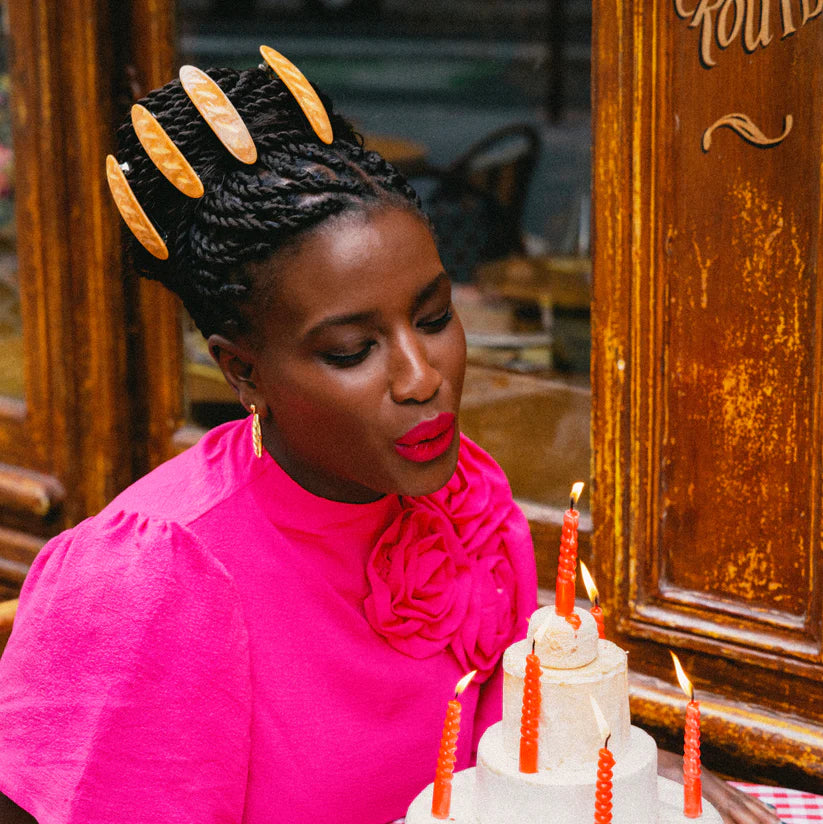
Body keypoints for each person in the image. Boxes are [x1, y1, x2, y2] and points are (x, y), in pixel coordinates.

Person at [0, 55, 779, 824]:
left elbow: (501, 767)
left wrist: (617, 776)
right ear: (242, 371)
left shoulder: (463, 498)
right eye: (351, 352)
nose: (421, 376)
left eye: (434, 317)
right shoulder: (151, 581)